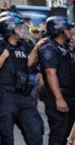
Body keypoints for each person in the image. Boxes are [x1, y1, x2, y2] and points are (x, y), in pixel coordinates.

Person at [0, 15, 43, 145]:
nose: (22, 30)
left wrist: (36, 48)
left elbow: (28, 64)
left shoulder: (23, 45)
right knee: (6, 134)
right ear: (10, 29)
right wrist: (4, 55)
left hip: (23, 94)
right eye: (18, 28)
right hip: (5, 94)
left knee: (35, 130)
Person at [38, 16, 75, 145]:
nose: (71, 31)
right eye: (68, 29)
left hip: (70, 96)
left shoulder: (66, 47)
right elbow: (50, 73)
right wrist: (59, 98)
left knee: (69, 134)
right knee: (59, 135)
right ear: (60, 30)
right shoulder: (49, 48)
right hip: (58, 96)